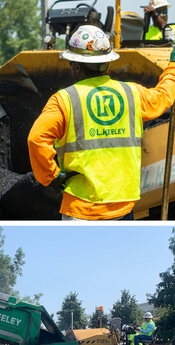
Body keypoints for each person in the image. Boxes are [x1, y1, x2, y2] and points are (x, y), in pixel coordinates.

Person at [28, 25, 175, 220]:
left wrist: (51, 176)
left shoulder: (63, 99)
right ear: (106, 63)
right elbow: (164, 96)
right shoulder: (133, 93)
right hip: (123, 205)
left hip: (81, 207)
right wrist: (173, 66)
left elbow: (36, 139)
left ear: (77, 66)